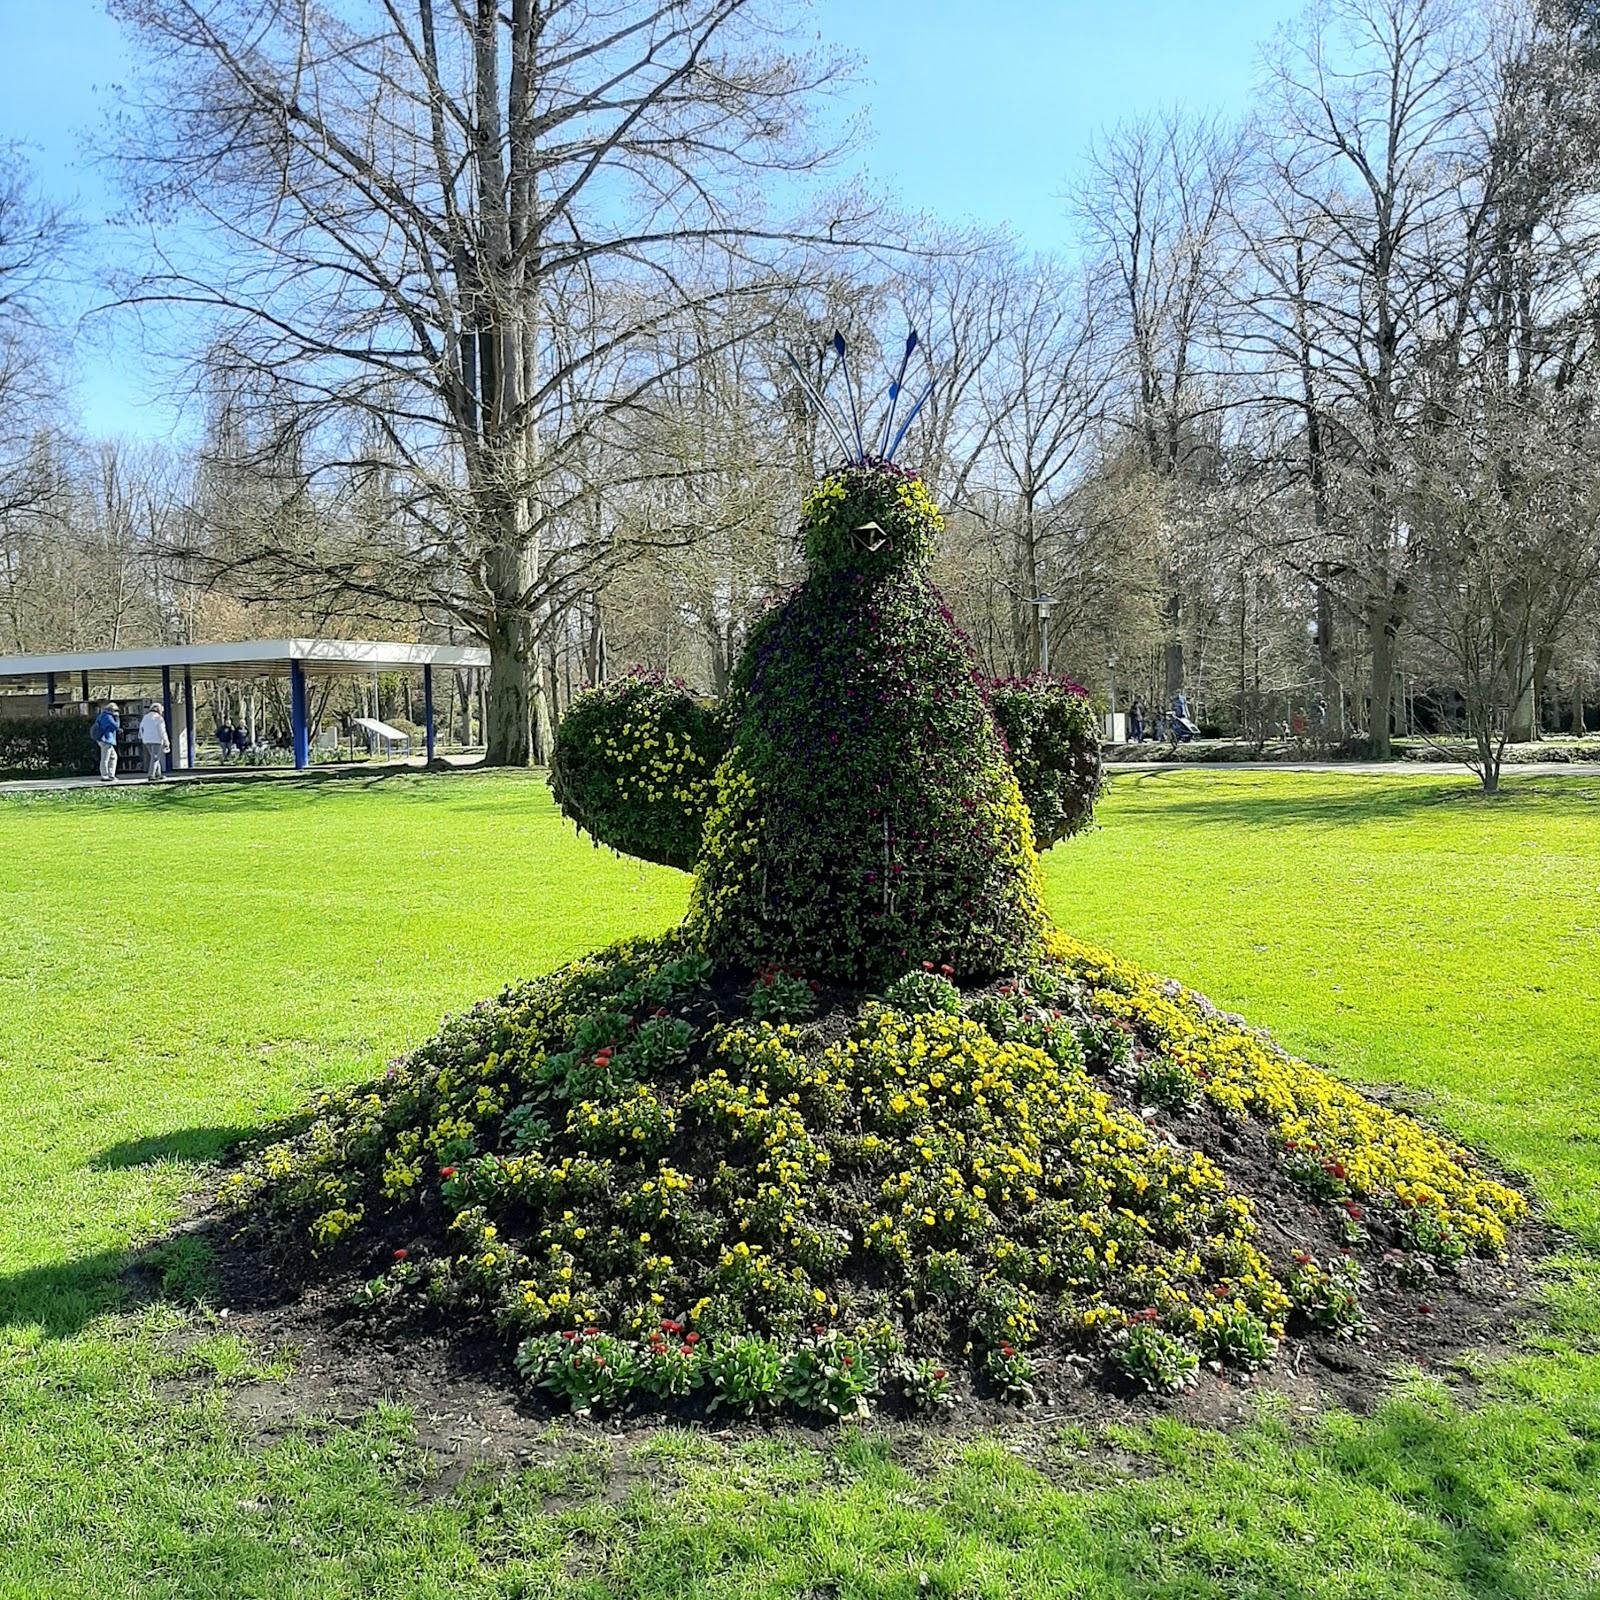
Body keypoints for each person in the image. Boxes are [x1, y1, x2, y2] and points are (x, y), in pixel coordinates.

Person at [139, 701, 171, 783]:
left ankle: (158, 774)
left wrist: (142, 737)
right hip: (156, 739)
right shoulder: (159, 718)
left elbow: (141, 728)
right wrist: (166, 741)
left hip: (146, 740)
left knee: (154, 757)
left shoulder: (145, 717)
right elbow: (162, 731)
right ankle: (151, 775)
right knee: (155, 758)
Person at [91, 702, 121, 782]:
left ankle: (111, 774)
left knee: (113, 756)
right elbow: (116, 726)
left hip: (101, 739)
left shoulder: (101, 716)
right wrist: (117, 718)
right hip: (107, 739)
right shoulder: (108, 716)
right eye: (116, 710)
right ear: (112, 710)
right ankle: (105, 775)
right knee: (105, 757)